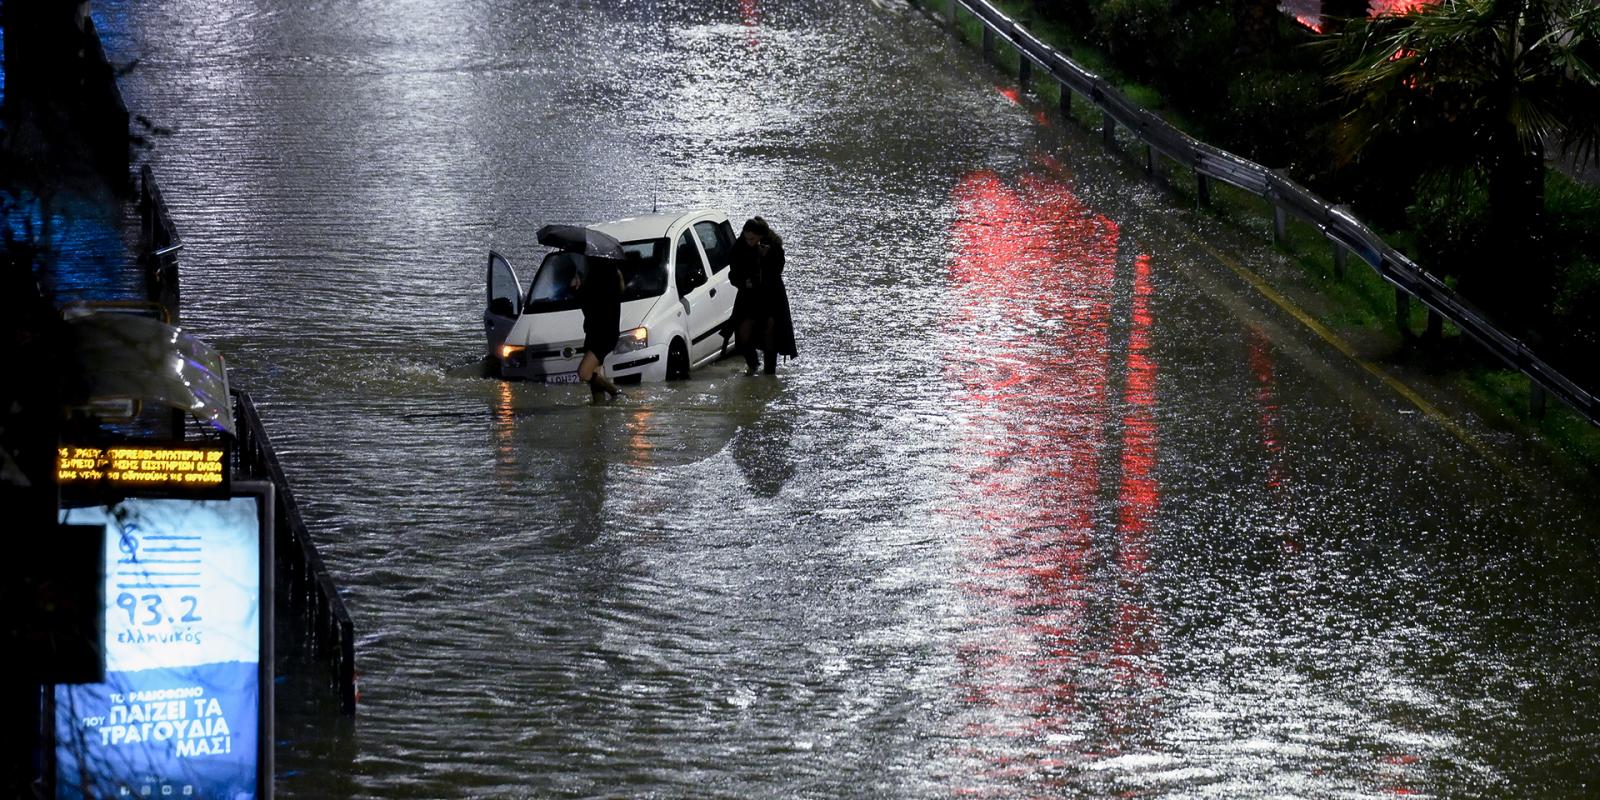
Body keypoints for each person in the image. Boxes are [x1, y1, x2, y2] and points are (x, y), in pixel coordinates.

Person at [727, 216, 797, 374]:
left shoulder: (772, 246)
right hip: (748, 297)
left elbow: (777, 269)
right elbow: (734, 274)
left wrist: (765, 257)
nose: (749, 241)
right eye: (746, 238)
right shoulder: (739, 248)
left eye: (752, 238)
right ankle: (752, 365)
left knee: (770, 334)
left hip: (770, 296)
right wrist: (744, 282)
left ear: (760, 235)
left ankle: (769, 372)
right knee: (743, 334)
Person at [572, 255, 624, 401]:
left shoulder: (604, 278)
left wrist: (579, 288)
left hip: (604, 334)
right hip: (594, 333)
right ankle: (599, 413)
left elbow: (594, 305)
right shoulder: (606, 276)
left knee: (584, 373)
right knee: (596, 382)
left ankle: (617, 393)